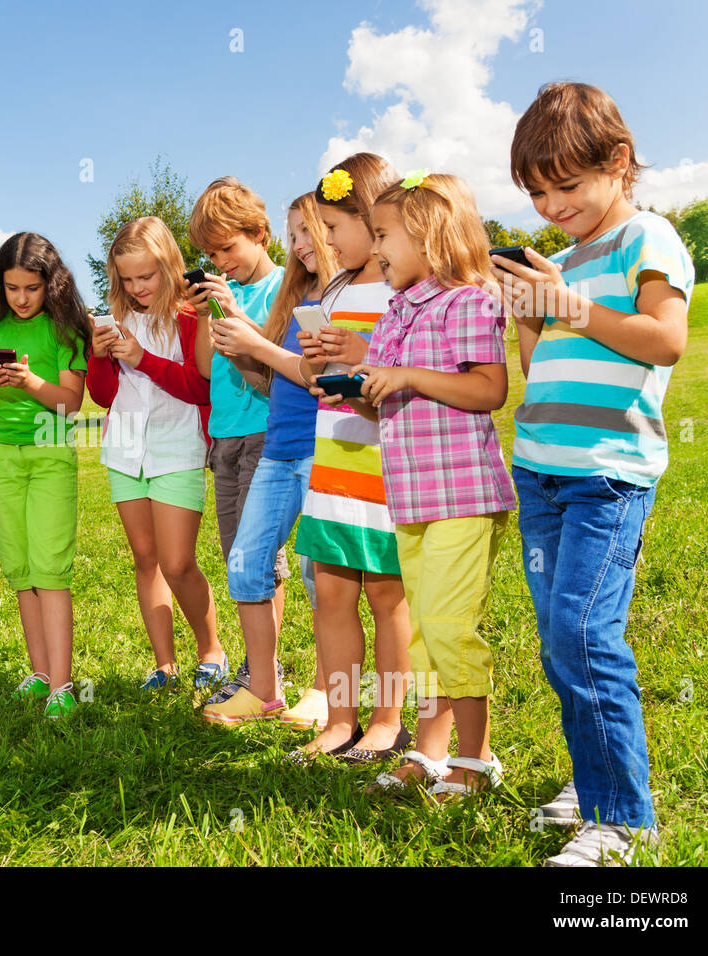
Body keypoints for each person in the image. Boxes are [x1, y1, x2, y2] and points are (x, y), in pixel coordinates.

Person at [497, 82, 693, 866]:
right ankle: (595, 779)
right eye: (538, 193)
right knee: (558, 637)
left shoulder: (648, 237)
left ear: (618, 162)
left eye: (565, 187)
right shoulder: (566, 260)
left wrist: (566, 302)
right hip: (542, 469)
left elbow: (664, 339)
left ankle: (624, 822)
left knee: (584, 631)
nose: (551, 205)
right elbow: (540, 368)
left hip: (607, 475)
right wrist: (530, 312)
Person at [316, 172, 514, 800]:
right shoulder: (398, 308)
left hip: (462, 496)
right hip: (412, 498)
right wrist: (363, 390)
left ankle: (476, 761)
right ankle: (430, 754)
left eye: (383, 235)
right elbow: (395, 394)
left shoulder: (470, 301)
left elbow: (489, 390)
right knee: (427, 628)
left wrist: (406, 375)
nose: (376, 250)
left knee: (451, 628)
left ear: (428, 234)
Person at [197, 193, 337, 726]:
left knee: (319, 571)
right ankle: (264, 687)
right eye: (295, 233)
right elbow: (274, 380)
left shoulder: (347, 292)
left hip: (323, 443)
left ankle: (328, 688)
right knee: (245, 561)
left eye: (310, 232)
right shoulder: (295, 294)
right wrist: (243, 346)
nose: (301, 244)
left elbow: (317, 376)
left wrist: (252, 341)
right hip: (281, 442)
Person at [288, 154, 411, 762]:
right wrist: (316, 362)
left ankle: (388, 721)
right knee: (333, 595)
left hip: (386, 464)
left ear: (371, 217)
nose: (328, 240)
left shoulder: (402, 287)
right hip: (333, 460)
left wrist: (362, 356)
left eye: (334, 227)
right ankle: (341, 721)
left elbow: (410, 372)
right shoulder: (334, 288)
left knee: (389, 596)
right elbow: (318, 370)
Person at [86, 217, 224, 692]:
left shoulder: (190, 318)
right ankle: (164, 664)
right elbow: (103, 395)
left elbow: (199, 386)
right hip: (124, 448)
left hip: (178, 444)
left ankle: (211, 650)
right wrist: (99, 355)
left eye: (146, 276)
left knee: (177, 561)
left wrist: (142, 359)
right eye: (127, 279)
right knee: (146, 559)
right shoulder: (115, 319)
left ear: (168, 266)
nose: (137, 287)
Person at [0, 232, 92, 719]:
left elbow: (70, 405)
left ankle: (63, 685)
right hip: (2, 456)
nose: (20, 298)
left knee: (50, 569)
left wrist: (31, 382)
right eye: (12, 287)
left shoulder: (67, 329)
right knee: (21, 570)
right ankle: (40, 673)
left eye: (31, 289)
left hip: (49, 458)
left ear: (51, 285)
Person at [184, 176, 289, 709]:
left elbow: (266, 363)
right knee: (235, 554)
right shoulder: (220, 297)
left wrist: (234, 311)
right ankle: (258, 662)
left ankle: (264, 672)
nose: (221, 261)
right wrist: (209, 314)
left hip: (265, 434)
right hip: (223, 437)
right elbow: (206, 370)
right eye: (210, 252)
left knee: (259, 555)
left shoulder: (282, 288)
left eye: (228, 247)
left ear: (260, 233)